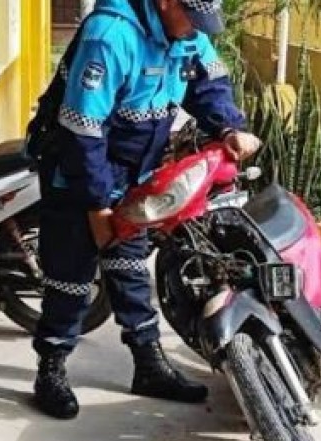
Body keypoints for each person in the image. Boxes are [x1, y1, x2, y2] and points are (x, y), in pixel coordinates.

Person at [24, 0, 261, 419]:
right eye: (192, 18)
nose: (197, 31)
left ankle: (148, 364)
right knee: (72, 278)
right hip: (78, 170)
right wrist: (97, 206)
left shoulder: (186, 34)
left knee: (130, 268)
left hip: (135, 170)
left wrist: (228, 127)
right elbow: (82, 129)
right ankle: (51, 368)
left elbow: (207, 83)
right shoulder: (111, 35)